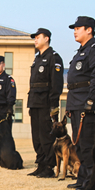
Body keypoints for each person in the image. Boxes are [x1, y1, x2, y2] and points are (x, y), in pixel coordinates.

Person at [65, 16, 95, 190]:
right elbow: (74, 83)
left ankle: (93, 181)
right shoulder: (80, 52)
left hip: (87, 103)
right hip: (76, 102)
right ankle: (83, 177)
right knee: (79, 144)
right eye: (74, 28)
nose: (75, 31)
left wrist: (91, 101)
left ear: (89, 29)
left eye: (78, 28)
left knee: (89, 144)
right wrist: (69, 106)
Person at [27, 28, 64, 178]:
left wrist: (53, 106)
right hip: (35, 102)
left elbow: (56, 84)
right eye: (34, 38)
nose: (35, 40)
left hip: (46, 103)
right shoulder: (37, 58)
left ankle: (49, 166)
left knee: (46, 136)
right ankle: (41, 164)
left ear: (46, 38)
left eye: (38, 37)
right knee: (36, 137)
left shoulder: (54, 58)